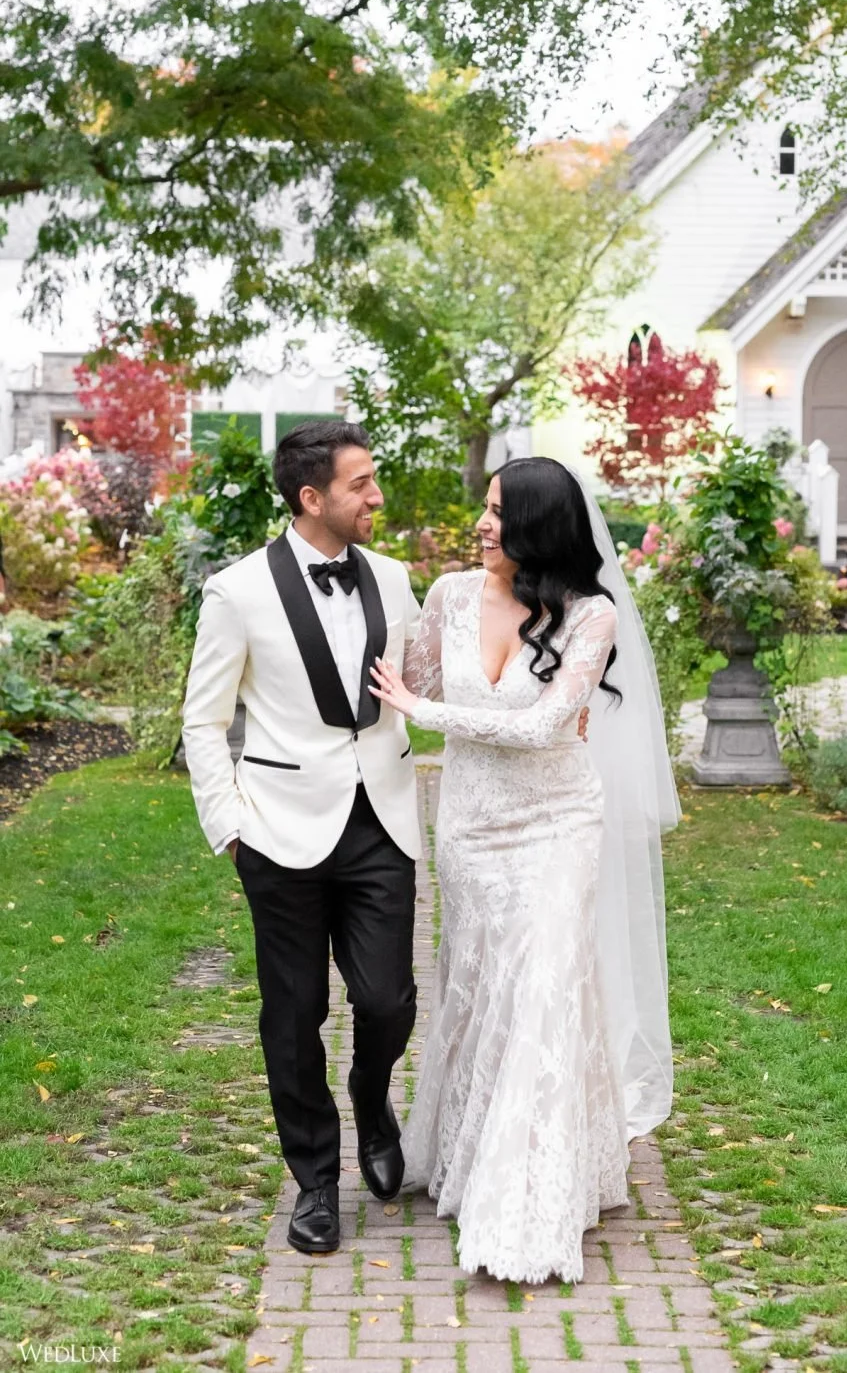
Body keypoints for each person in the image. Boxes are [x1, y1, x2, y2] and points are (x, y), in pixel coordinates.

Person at [369, 456, 677, 1284]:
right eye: (485, 505)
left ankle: (527, 1200)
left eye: (500, 511)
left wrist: (426, 713)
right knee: (482, 984)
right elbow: (413, 676)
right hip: (471, 825)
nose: (482, 521)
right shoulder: (450, 595)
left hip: (557, 821)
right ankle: (469, 1152)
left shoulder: (592, 614)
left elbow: (544, 727)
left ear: (540, 525)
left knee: (544, 982)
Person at [182, 421, 424, 1256]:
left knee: (388, 999)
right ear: (312, 497)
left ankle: (372, 1095)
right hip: (277, 829)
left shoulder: (393, 578)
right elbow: (204, 719)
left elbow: (426, 679)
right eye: (362, 483)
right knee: (293, 1014)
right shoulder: (237, 591)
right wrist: (229, 825)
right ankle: (316, 1179)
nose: (377, 495)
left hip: (382, 818)